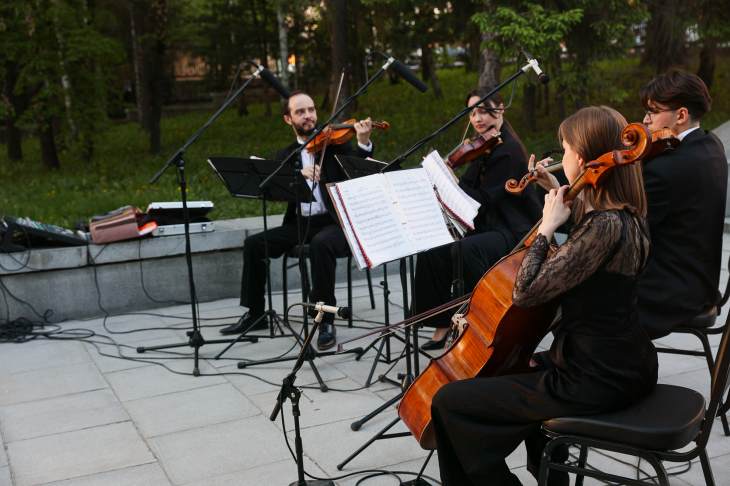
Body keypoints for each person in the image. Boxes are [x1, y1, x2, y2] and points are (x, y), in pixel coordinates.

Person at [431, 106, 658, 486]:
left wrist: (545, 230)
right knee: (511, 376)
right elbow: (586, 252)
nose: (564, 157)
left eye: (566, 149)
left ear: (583, 159)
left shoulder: (603, 227)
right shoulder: (627, 216)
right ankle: (551, 476)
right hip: (624, 363)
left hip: (596, 377)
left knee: (450, 403)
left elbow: (525, 292)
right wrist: (555, 191)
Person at [220, 91, 374, 351]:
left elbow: (358, 165)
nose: (308, 116)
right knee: (254, 244)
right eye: (300, 112)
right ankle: (255, 314)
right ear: (287, 119)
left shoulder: (335, 146)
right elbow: (275, 188)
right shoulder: (287, 155)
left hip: (333, 224)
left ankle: (324, 319)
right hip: (300, 224)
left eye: (311, 110)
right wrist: (296, 175)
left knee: (321, 245)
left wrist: (363, 141)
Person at [413, 87, 542, 349]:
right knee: (432, 250)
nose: (477, 118)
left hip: (513, 230)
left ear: (501, 109)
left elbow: (479, 202)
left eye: (483, 111)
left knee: (466, 250)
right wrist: (445, 174)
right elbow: (469, 189)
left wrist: (452, 182)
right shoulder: (484, 147)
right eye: (472, 112)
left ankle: (480, 323)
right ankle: (440, 321)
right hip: (486, 225)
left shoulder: (509, 151)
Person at [636, 69, 727, 339]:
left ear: (681, 115)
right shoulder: (710, 145)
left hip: (672, 290)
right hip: (700, 281)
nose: (645, 120)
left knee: (590, 294)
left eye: (653, 112)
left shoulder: (668, 168)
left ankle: (598, 367)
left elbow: (631, 229)